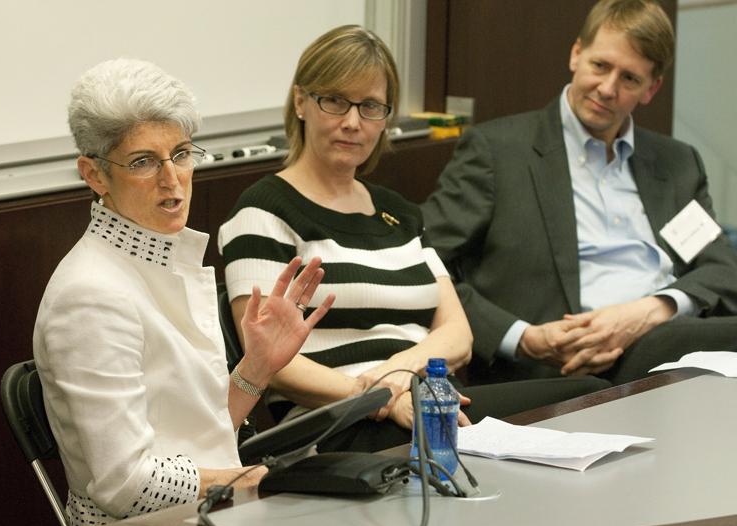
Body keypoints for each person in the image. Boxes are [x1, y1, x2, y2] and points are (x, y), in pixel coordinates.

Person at [218, 25, 608, 453]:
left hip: (426, 398)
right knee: (578, 406)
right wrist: (380, 398)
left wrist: (400, 373)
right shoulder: (261, 211)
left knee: (588, 397)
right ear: (300, 103)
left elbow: (458, 334)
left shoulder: (399, 213)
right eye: (335, 101)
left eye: (370, 107)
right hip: (335, 423)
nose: (352, 122)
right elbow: (268, 364)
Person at [33, 58, 334, 526]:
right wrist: (257, 480)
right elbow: (125, 485)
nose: (172, 179)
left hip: (207, 515)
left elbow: (197, 433)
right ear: (94, 176)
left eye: (181, 153)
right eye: (143, 162)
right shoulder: (89, 295)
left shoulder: (159, 259)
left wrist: (258, 366)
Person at [421, 0, 737, 387]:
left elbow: (722, 270)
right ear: (576, 54)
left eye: (629, 79)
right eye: (600, 66)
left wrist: (653, 309)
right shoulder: (497, 152)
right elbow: (425, 263)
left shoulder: (676, 164)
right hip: (565, 368)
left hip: (669, 345)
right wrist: (522, 338)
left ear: (651, 89)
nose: (607, 89)